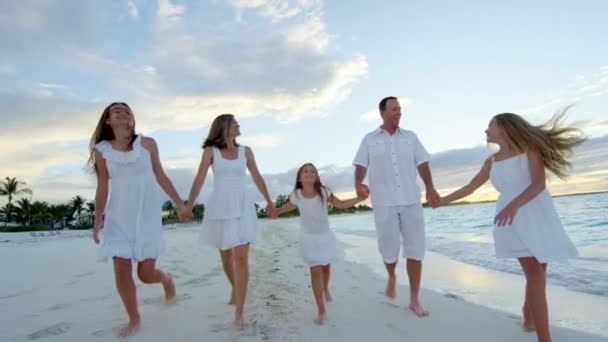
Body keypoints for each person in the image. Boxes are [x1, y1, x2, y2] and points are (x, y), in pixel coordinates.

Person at [438, 110, 584, 342]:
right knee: (535, 274)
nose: (486, 130)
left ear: (505, 128)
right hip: (510, 219)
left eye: (490, 126)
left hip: (536, 212)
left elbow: (538, 185)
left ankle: (528, 310)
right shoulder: (491, 162)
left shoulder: (530, 150)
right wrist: (441, 201)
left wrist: (514, 204)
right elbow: (469, 188)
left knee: (541, 269)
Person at [89, 102, 186, 337]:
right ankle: (134, 318)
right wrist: (97, 218)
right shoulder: (102, 150)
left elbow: (160, 175)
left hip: (147, 215)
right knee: (121, 269)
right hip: (118, 216)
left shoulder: (148, 144)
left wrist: (180, 203)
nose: (122, 113)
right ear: (108, 121)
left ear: (132, 120)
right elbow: (103, 186)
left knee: (145, 274)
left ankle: (166, 279)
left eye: (127, 111)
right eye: (116, 111)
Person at [183, 114, 276, 329]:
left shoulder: (246, 151)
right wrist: (189, 204)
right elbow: (199, 178)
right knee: (226, 258)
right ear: (223, 126)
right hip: (221, 206)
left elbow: (257, 177)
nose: (238, 124)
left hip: (243, 206)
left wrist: (270, 202)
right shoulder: (211, 151)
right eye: (234, 122)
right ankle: (236, 288)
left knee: (241, 258)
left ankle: (239, 311)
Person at [353, 96, 439, 317]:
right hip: (384, 202)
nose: (398, 112)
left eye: (399, 109)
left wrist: (430, 187)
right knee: (388, 249)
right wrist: (358, 183)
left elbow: (422, 163)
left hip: (411, 200)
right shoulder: (370, 139)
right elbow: (361, 165)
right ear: (382, 112)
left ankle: (414, 299)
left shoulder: (410, 137)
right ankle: (391, 275)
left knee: (415, 250)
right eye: (394, 109)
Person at [271, 163, 367, 325]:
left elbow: (341, 204)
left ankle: (326, 288)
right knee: (315, 271)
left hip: (325, 237)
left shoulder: (324, 191)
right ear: (300, 178)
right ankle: (321, 309)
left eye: (312, 171)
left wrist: (359, 198)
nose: (309, 173)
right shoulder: (297, 194)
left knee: (326, 268)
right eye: (305, 171)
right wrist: (277, 211)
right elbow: (288, 207)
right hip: (309, 238)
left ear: (317, 176)